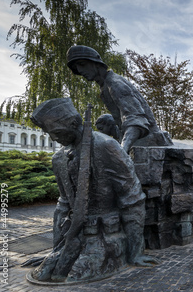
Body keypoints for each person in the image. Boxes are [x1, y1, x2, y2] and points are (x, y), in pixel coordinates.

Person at [29, 98, 156, 283]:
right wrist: (57, 249)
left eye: (55, 132)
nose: (54, 138)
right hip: (75, 236)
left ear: (73, 123)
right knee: (45, 271)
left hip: (107, 236)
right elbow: (63, 205)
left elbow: (133, 198)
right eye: (49, 134)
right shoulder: (58, 159)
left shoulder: (106, 146)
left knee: (76, 275)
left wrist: (135, 252)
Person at [66, 45, 172, 153]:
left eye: (82, 64)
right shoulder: (105, 87)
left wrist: (121, 152)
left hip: (148, 143)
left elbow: (136, 122)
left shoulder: (115, 84)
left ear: (96, 63)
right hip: (137, 143)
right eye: (76, 68)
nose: (80, 70)